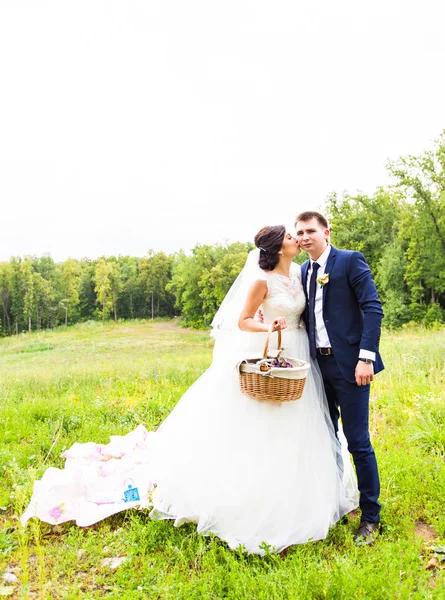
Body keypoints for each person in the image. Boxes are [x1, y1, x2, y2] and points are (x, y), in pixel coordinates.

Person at [21, 225, 358, 555]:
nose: (296, 240)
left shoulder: (300, 273)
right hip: (274, 351)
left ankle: (302, 493)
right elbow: (244, 320)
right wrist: (267, 324)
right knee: (266, 424)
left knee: (301, 425)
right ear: (276, 247)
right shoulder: (260, 279)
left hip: (299, 355)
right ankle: (257, 500)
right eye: (289, 236)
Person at [295, 211, 384, 545]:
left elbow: (373, 308)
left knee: (357, 440)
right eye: (299, 232)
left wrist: (365, 358)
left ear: (326, 232)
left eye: (310, 231)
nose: (304, 238)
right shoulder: (304, 271)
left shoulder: (349, 261)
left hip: (351, 367)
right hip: (317, 367)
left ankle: (371, 517)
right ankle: (334, 501)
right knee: (326, 436)